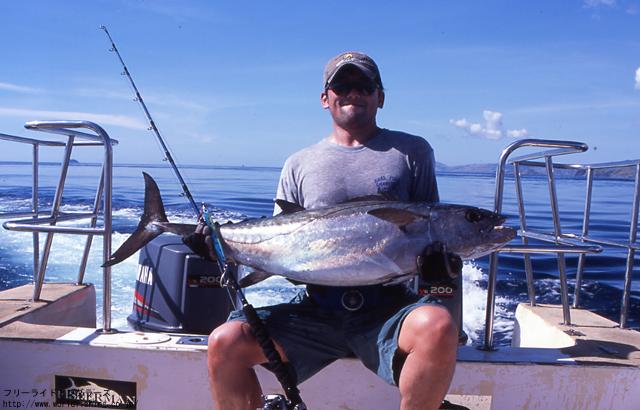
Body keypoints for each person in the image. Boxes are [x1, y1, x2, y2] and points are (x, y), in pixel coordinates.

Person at [206, 51, 458, 410]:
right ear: (325, 98)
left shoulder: (412, 151)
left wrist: (437, 265)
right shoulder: (298, 163)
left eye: (363, 85)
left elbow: (428, 223)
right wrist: (218, 244)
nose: (352, 92)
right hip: (314, 309)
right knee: (225, 342)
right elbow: (278, 239)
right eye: (342, 85)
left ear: (380, 97)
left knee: (439, 326)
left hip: (387, 308)